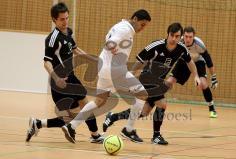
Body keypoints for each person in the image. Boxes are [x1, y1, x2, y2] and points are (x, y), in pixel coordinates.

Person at [102, 23, 202, 145]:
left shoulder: (181, 49)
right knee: (162, 104)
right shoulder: (157, 45)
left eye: (177, 36)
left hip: (158, 81)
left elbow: (190, 62)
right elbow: (140, 59)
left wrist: (196, 76)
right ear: (168, 34)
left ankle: (113, 117)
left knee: (144, 112)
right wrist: (131, 77)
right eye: (172, 35)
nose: (174, 39)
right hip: (148, 77)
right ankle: (156, 136)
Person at [62, 9, 151, 143]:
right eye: (142, 24)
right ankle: (128, 129)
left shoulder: (119, 25)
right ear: (135, 19)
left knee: (99, 101)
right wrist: (112, 46)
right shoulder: (125, 29)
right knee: (143, 94)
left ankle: (71, 126)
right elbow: (110, 42)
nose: (142, 28)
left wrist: (111, 45)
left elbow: (108, 38)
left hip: (104, 68)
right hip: (114, 70)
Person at [26, 2, 104, 143]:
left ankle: (95, 135)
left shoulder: (68, 32)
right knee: (71, 117)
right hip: (60, 82)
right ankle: (38, 123)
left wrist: (92, 59)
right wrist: (56, 78)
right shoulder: (52, 39)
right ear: (54, 20)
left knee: (85, 107)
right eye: (62, 19)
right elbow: (46, 62)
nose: (65, 22)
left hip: (71, 77)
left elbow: (75, 49)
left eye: (67, 18)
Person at [178, 26, 218, 118]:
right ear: (183, 36)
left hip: (198, 61)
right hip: (185, 62)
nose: (188, 39)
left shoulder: (199, 45)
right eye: (186, 36)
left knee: (203, 84)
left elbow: (209, 61)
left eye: (190, 37)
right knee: (170, 81)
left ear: (194, 36)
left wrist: (214, 77)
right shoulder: (179, 42)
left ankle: (212, 108)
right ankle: (156, 101)